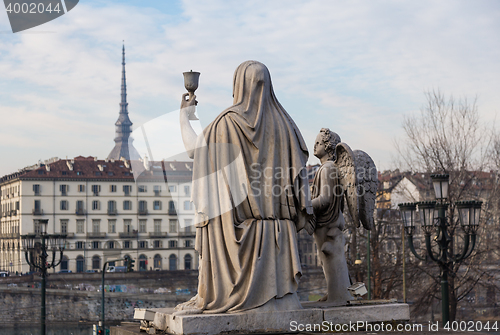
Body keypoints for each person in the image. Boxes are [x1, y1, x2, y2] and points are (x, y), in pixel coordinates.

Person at [176, 61, 313, 314]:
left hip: (231, 233)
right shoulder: (288, 127)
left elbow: (195, 150)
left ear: (237, 86)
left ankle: (216, 296)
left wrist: (185, 115)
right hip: (280, 234)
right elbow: (299, 186)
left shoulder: (226, 123)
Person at [310, 128, 353, 306]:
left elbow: (326, 199)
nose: (314, 145)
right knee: (326, 259)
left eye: (318, 143)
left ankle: (339, 295)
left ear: (328, 147)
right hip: (326, 223)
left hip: (326, 223)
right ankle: (334, 291)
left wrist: (305, 205)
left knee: (330, 258)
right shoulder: (327, 169)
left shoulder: (327, 169)